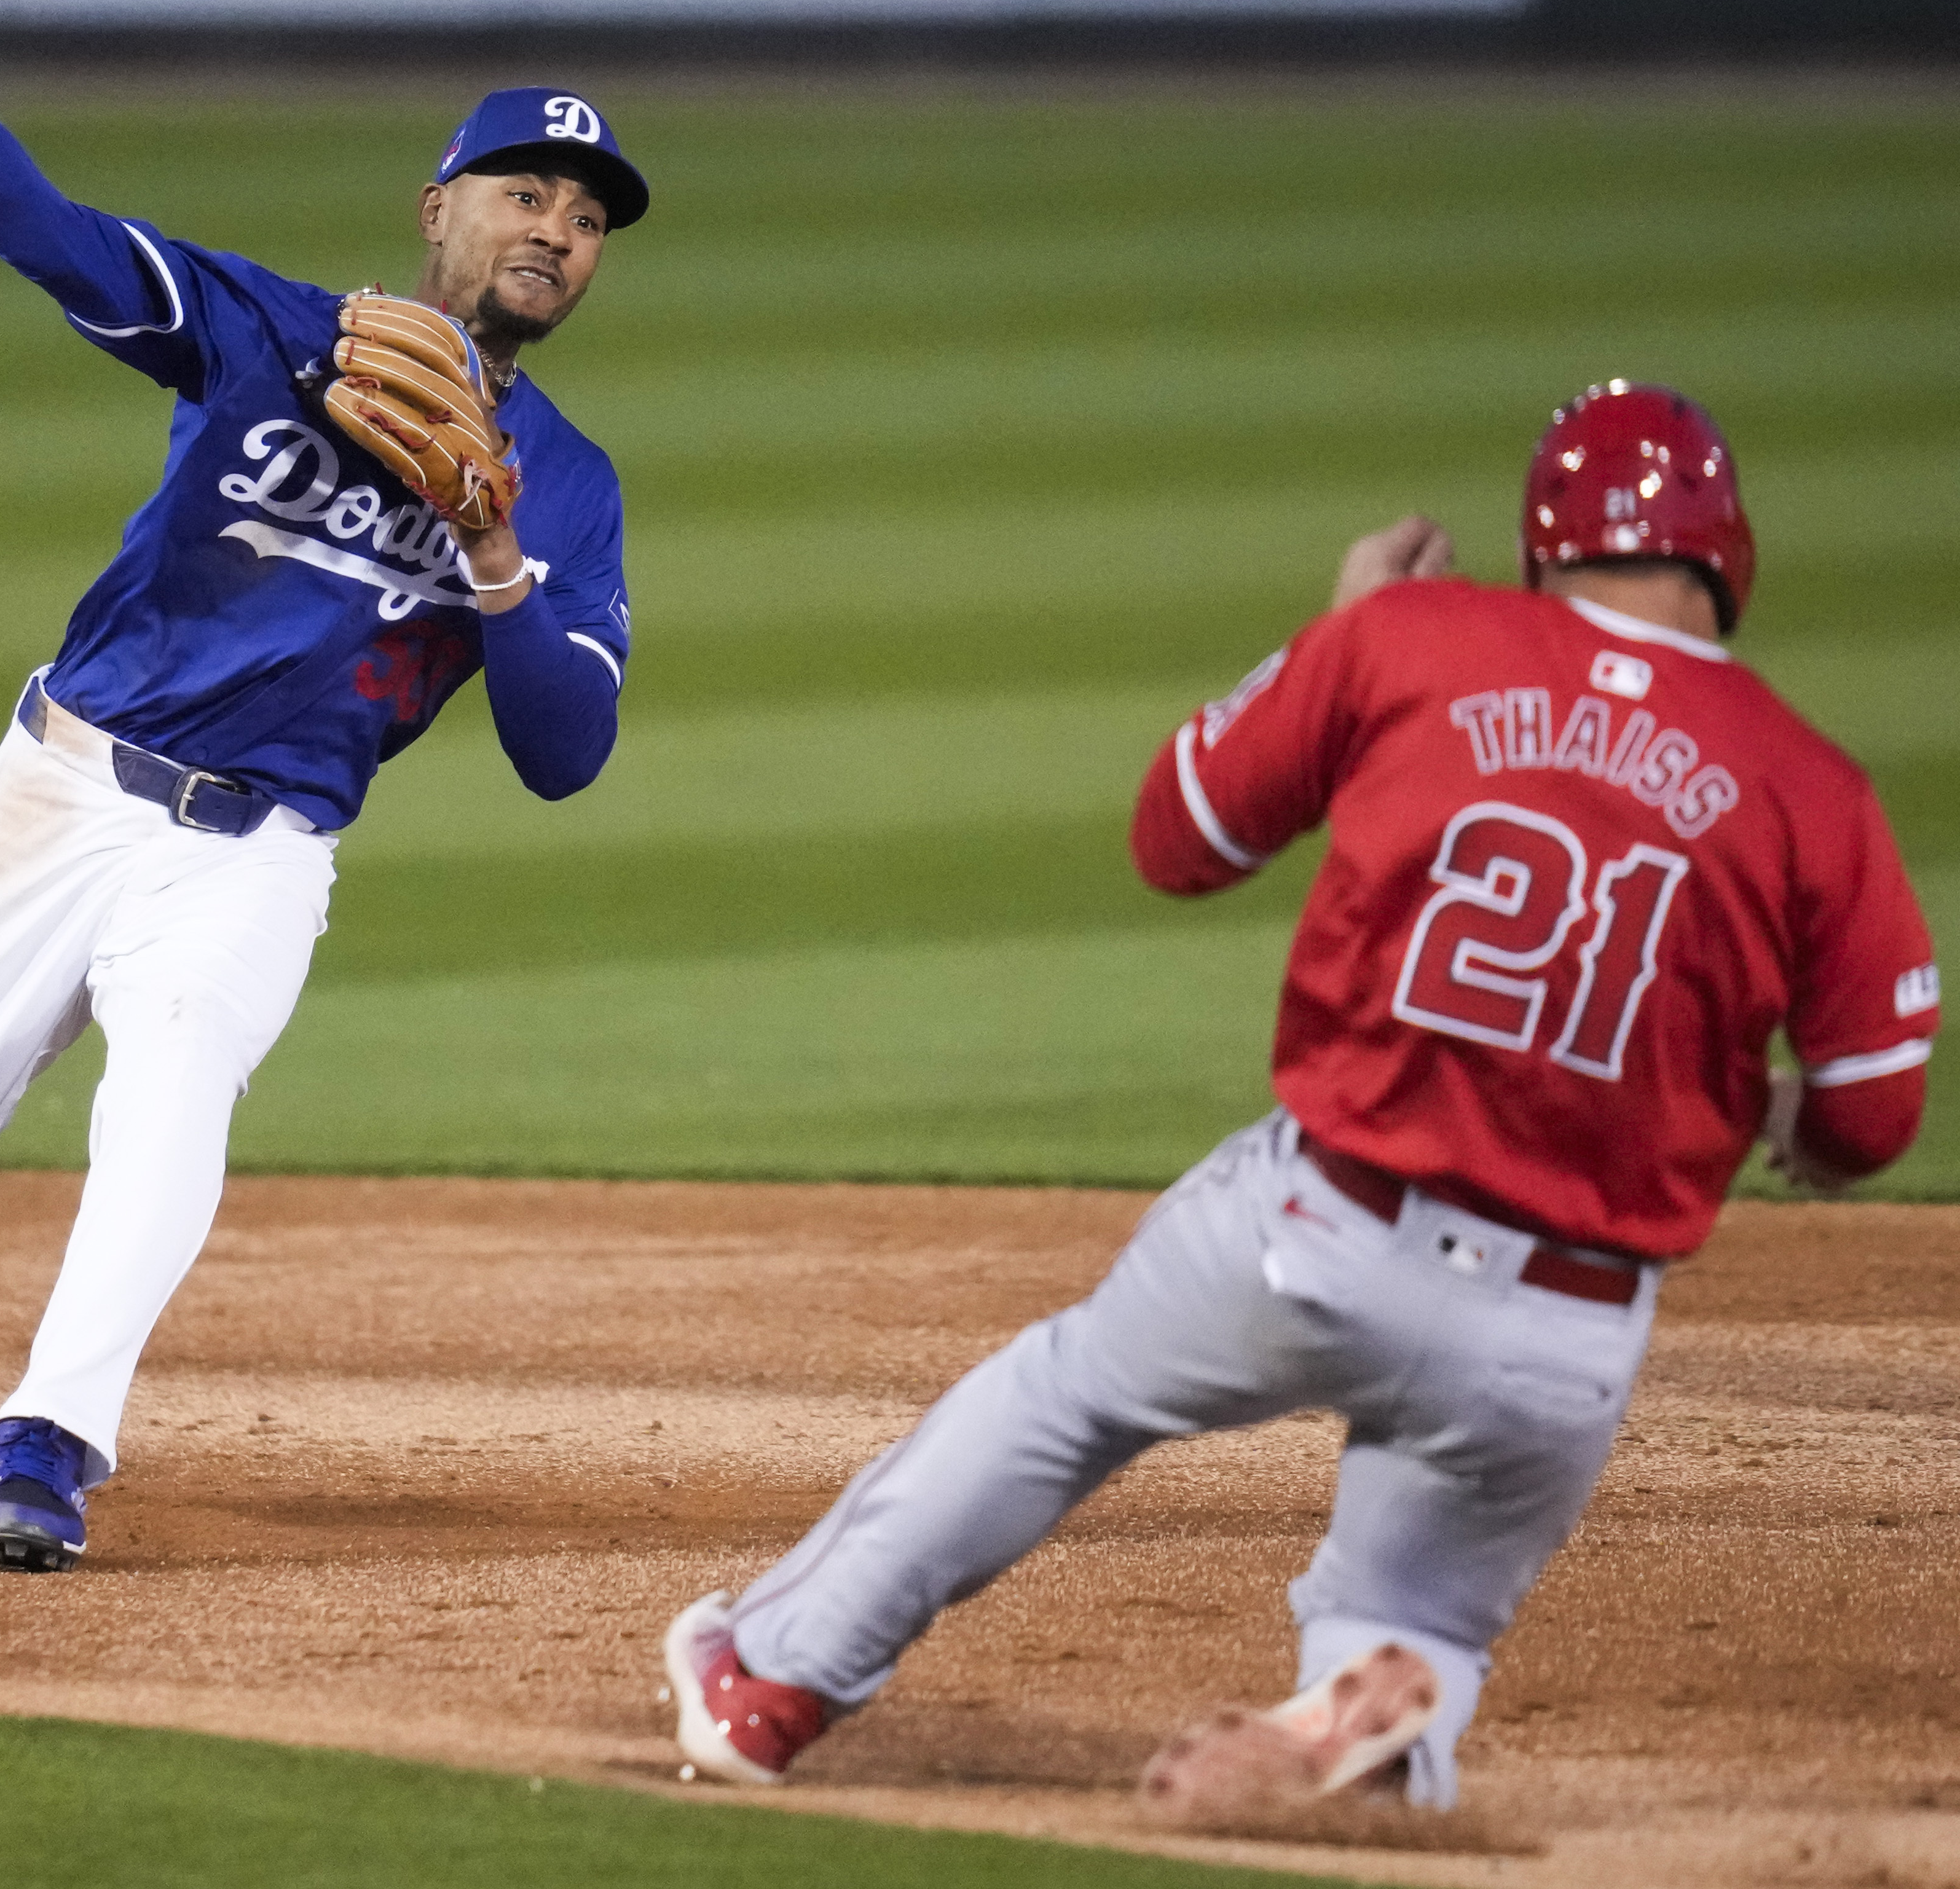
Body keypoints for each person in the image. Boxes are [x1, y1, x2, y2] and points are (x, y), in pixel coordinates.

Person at [660, 383, 1937, 1819]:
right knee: (1425, 1611)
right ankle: (1386, 1708)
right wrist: (1788, 1124)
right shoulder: (1813, 787)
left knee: (1070, 1396)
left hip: (1320, 1234)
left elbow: (1180, 837)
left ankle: (773, 1679)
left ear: (1543, 545)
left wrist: (1336, 638)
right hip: (1564, 1333)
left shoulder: (1416, 638)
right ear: (1730, 557)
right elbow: (1874, 1114)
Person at [0, 0, 643, 1571]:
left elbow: (563, 755)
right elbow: (41, 226)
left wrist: (496, 553)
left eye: (587, 220)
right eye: (525, 191)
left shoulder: (567, 491)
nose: (555, 230)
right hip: (60, 793)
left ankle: (48, 1439)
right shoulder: (269, 337)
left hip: (256, 858)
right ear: (439, 208)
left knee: (169, 1105)